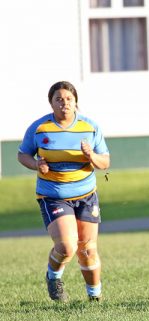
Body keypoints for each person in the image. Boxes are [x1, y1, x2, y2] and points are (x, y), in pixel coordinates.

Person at [17, 81, 110, 302]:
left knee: (87, 250)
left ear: (76, 101)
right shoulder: (39, 128)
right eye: (58, 99)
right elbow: (23, 155)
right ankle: (53, 277)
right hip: (54, 196)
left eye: (68, 99)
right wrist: (36, 165)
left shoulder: (90, 127)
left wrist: (91, 157)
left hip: (86, 196)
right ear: (51, 103)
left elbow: (105, 162)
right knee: (67, 246)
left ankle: (94, 298)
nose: (64, 103)